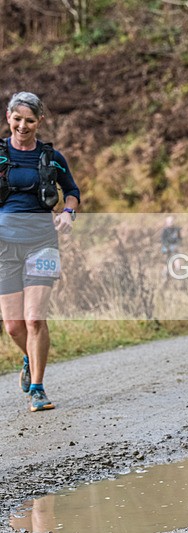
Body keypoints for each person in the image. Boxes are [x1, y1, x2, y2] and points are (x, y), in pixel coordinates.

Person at [1, 92, 80, 412]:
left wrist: (67, 213)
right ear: (8, 118)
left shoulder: (52, 157)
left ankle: (37, 388)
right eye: (17, 119)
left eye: (29, 120)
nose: (23, 126)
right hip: (4, 246)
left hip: (42, 242)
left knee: (34, 319)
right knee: (14, 326)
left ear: (40, 122)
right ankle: (28, 357)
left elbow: (72, 192)